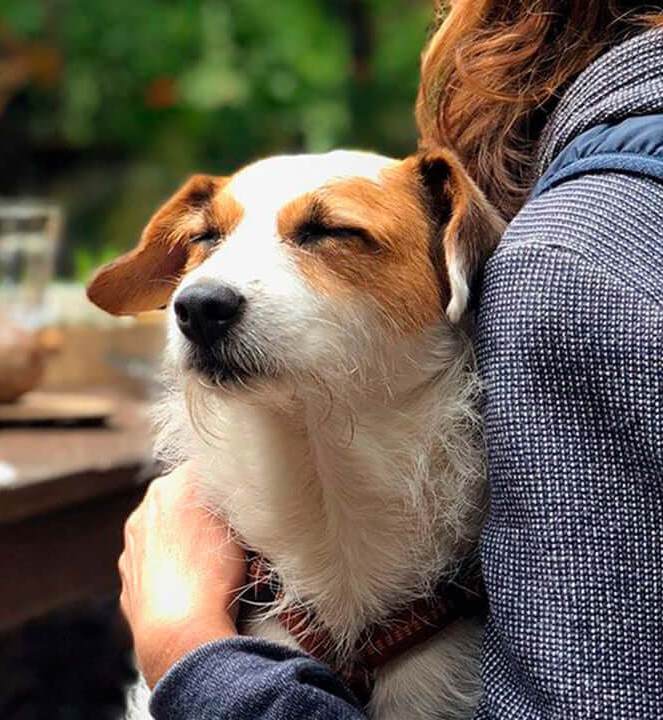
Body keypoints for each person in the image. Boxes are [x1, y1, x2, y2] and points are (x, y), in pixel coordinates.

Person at [119, 2, 663, 717]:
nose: (201, 294)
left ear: (457, 269)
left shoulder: (571, 258)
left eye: (328, 232)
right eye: (207, 239)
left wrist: (187, 646)